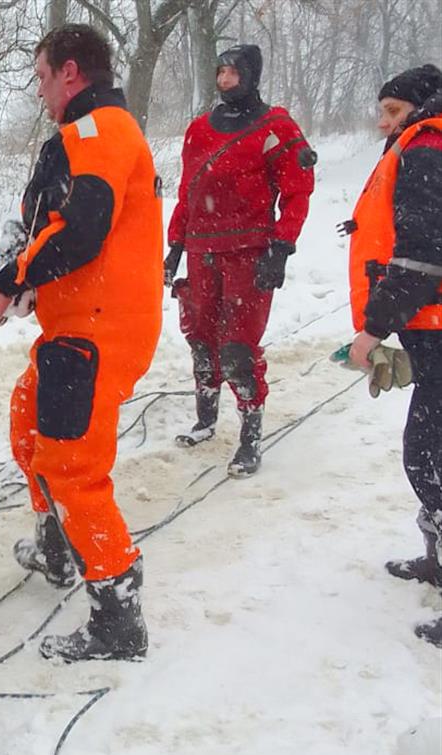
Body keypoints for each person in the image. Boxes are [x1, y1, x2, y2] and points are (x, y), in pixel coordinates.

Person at [0, 24, 162, 662]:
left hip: (98, 332)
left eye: (43, 75)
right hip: (76, 325)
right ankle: (58, 544)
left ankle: (116, 612)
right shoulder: (79, 137)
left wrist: (9, 281)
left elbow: (82, 231)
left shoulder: (101, 129)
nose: (41, 88)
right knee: (29, 420)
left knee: (73, 466)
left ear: (71, 72)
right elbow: (44, 227)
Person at [165, 44, 316, 476]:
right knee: (202, 341)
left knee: (237, 349)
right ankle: (206, 419)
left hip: (248, 253)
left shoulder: (277, 127)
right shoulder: (199, 129)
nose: (226, 79)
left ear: (251, 76)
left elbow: (297, 191)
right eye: (221, 71)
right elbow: (188, 193)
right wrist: (175, 245)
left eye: (234, 72)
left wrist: (281, 247)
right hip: (200, 249)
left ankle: (250, 435)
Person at [344, 64, 442, 648]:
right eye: (381, 111)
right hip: (429, 325)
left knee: (428, 456)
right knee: (430, 453)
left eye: (394, 112)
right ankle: (437, 557)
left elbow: (423, 254)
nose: (384, 123)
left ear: (422, 107)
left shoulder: (427, 149)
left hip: (434, 321)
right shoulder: (418, 146)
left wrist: (373, 326)